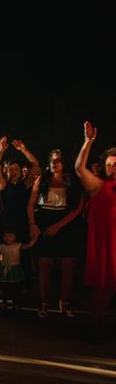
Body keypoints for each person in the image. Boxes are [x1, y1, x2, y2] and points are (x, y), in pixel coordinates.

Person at [28, 148, 84, 319]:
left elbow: (78, 207)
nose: (54, 163)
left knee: (68, 265)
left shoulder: (72, 181)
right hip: (45, 221)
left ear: (65, 162)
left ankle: (64, 301)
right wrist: (32, 224)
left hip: (66, 223)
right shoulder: (42, 179)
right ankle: (44, 302)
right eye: (52, 160)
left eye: (58, 160)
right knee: (45, 265)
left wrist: (59, 225)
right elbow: (31, 204)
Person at [75, 121, 116, 343]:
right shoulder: (99, 186)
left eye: (115, 164)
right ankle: (95, 325)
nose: (112, 168)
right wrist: (88, 142)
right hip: (108, 245)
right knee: (104, 287)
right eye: (109, 165)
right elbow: (79, 169)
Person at [0, 230, 36, 311]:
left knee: (16, 288)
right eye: (6, 236)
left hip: (15, 269)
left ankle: (16, 303)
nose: (8, 238)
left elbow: (28, 245)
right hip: (4, 269)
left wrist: (34, 239)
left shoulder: (18, 245)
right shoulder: (0, 246)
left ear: (15, 237)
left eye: (10, 236)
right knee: (5, 287)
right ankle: (4, 303)